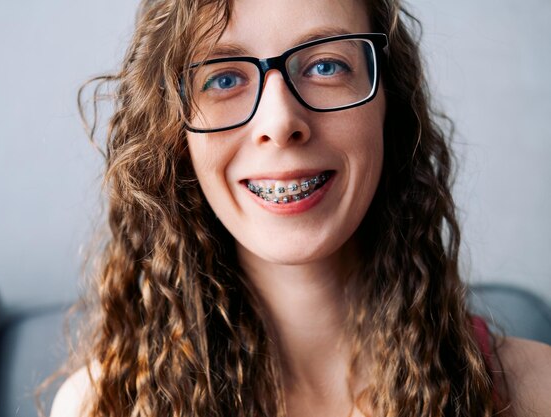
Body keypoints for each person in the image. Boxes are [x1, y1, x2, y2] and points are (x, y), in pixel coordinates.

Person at [47, 0, 551, 416]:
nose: (281, 119)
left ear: (388, 105)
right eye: (224, 78)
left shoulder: (537, 393)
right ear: (174, 133)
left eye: (326, 66)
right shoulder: (101, 405)